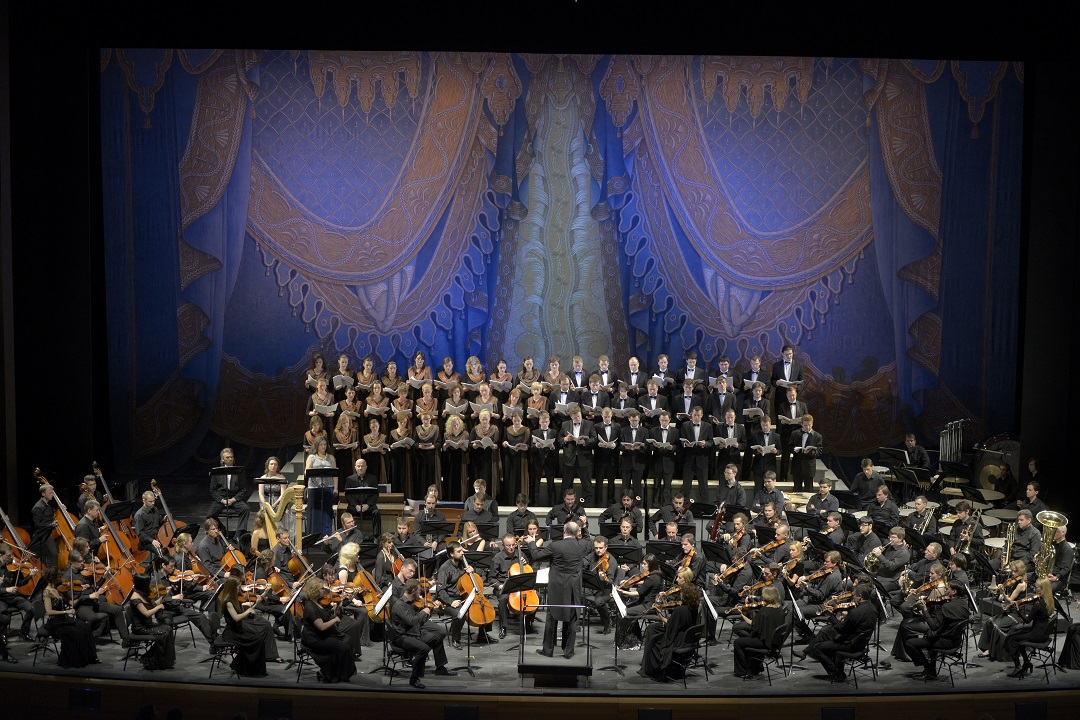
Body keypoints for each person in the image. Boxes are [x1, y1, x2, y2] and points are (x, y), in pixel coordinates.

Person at [530, 521, 592, 658]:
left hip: (557, 585)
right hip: (574, 585)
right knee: (572, 616)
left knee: (552, 615)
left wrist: (531, 542)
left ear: (564, 532)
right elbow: (588, 540)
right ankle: (568, 651)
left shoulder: (555, 545)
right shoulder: (582, 545)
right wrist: (584, 527)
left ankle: (548, 650)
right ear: (576, 533)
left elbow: (536, 556)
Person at [800, 583, 878, 681]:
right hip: (861, 642)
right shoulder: (872, 608)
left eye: (854, 595)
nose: (853, 597)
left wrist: (830, 616)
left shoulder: (855, 612)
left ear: (860, 596)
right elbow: (855, 625)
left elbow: (841, 629)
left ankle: (837, 673)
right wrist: (845, 620)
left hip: (850, 645)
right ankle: (836, 665)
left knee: (817, 648)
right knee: (827, 634)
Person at [391, 578, 458, 688]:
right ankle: (414, 679)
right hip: (402, 638)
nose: (420, 593)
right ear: (413, 591)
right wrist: (423, 612)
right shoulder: (400, 605)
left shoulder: (412, 603)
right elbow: (412, 621)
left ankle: (440, 667)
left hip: (414, 633)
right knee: (423, 649)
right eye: (419, 590)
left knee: (438, 637)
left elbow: (419, 622)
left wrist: (429, 610)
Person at [434, 542, 497, 647]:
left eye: (462, 550)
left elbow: (469, 581)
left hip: (463, 596)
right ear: (451, 554)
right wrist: (451, 602)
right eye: (459, 551)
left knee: (485, 606)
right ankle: (456, 639)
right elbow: (440, 591)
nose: (462, 553)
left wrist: (472, 571)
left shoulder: (463, 564)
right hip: (448, 599)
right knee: (460, 613)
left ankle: (482, 635)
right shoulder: (444, 568)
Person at [638, 579, 702, 681]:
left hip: (678, 641)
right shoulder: (694, 607)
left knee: (654, 641)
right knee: (653, 629)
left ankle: (652, 670)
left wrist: (659, 613)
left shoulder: (680, 610)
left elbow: (670, 624)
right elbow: (676, 623)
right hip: (687, 638)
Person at [218, 575, 281, 676]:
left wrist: (255, 604)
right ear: (233, 587)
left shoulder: (234, 600)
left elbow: (245, 612)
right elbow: (236, 618)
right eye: (238, 586)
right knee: (258, 641)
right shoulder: (228, 602)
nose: (240, 588)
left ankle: (247, 667)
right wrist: (247, 612)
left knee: (258, 638)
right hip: (232, 633)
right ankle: (250, 670)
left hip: (238, 630)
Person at [300, 578, 357, 683]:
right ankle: (330, 673)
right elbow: (321, 627)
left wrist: (337, 607)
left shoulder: (317, 603)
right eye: (322, 588)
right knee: (341, 646)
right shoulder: (310, 607)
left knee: (348, 639)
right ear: (315, 591)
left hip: (322, 635)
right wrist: (335, 620)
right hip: (315, 639)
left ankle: (340, 672)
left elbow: (326, 616)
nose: (325, 590)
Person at [41, 567, 99, 668]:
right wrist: (66, 611)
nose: (61, 578)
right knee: (75, 633)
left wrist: (80, 593)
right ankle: (72, 661)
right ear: (53, 579)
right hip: (55, 622)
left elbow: (72, 603)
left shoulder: (61, 589)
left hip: (64, 619)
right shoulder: (47, 592)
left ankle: (89, 658)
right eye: (59, 577)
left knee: (85, 627)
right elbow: (49, 612)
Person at [1004, 577, 1055, 678]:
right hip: (1044, 633)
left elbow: (1027, 620)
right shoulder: (1049, 601)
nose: (1034, 589)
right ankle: (1026, 662)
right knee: (1019, 638)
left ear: (1042, 588)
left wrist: (1017, 610)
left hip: (1036, 635)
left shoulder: (1038, 604)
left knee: (1011, 638)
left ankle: (1018, 666)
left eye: (1036, 587)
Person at [732, 584, 786, 678]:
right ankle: (755, 667)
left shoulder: (764, 610)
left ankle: (742, 671)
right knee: (747, 637)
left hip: (765, 643)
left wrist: (742, 615)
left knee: (738, 643)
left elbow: (752, 624)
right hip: (775, 643)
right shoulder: (780, 609)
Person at [615, 553, 663, 650]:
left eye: (644, 564)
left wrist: (622, 591)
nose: (642, 566)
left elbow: (638, 593)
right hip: (645, 603)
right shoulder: (654, 575)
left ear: (651, 564)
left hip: (648, 606)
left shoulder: (653, 578)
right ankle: (632, 639)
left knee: (625, 613)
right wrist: (628, 582)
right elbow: (645, 583)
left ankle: (631, 642)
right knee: (625, 609)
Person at [128, 573, 176, 670]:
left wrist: (164, 595)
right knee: (164, 633)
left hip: (148, 625)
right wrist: (159, 607)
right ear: (142, 584)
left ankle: (164, 661)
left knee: (168, 628)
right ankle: (150, 659)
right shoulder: (135, 598)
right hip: (140, 628)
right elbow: (146, 613)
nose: (149, 586)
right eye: (147, 583)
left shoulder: (144, 594)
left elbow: (155, 604)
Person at [207, 448, 249, 542]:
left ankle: (238, 534)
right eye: (227, 457)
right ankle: (222, 529)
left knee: (245, 509)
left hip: (234, 498)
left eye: (231, 457)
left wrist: (233, 499)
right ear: (222, 459)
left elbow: (243, 489)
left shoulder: (239, 471)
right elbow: (213, 490)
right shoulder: (216, 472)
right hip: (222, 498)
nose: (230, 459)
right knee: (210, 515)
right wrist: (222, 500)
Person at [560, 405, 596, 504]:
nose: (577, 418)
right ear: (571, 416)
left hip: (584, 458)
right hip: (569, 459)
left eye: (579, 416)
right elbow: (559, 439)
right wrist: (565, 439)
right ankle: (566, 506)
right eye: (575, 417)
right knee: (566, 484)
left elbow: (594, 439)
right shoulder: (565, 424)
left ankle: (587, 505)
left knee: (587, 484)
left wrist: (584, 442)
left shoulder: (589, 424)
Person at [305, 436, 338, 537]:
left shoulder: (331, 458)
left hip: (328, 487)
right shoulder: (312, 457)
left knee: (327, 512)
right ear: (317, 446)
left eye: (325, 444)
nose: (323, 447)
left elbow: (335, 474)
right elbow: (306, 472)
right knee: (315, 513)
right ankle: (314, 536)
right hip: (314, 489)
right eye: (321, 445)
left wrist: (336, 488)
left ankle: (326, 536)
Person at [0, 542, 33, 642]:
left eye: (12, 555)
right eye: (8, 556)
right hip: (2, 598)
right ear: (1, 555)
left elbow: (20, 583)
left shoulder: (14, 566)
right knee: (3, 614)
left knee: (31, 608)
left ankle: (24, 634)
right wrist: (6, 589)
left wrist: (30, 576)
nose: (12, 557)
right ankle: (2, 636)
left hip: (13, 597)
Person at [680, 405, 713, 500]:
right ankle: (684, 506)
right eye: (694, 415)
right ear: (691, 415)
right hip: (689, 458)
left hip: (702, 458)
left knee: (703, 486)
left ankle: (704, 506)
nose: (696, 417)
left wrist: (705, 443)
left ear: (702, 415)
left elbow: (711, 441)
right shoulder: (685, 425)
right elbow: (681, 439)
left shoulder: (708, 426)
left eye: (698, 415)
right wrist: (686, 444)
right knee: (686, 485)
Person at [343, 457, 381, 538]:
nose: (360, 468)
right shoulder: (350, 479)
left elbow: (375, 495)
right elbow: (348, 495)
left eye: (362, 466)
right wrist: (356, 505)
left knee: (376, 513)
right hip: (355, 506)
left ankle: (376, 537)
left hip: (368, 506)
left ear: (366, 467)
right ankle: (349, 536)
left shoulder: (373, 478)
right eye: (358, 466)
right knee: (347, 514)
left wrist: (368, 505)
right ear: (355, 467)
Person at [648, 409, 679, 506]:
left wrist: (672, 447)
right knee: (656, 485)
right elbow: (649, 446)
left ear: (669, 420)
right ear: (659, 420)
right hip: (657, 461)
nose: (664, 422)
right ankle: (655, 504)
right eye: (662, 420)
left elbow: (678, 446)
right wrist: (654, 446)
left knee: (667, 486)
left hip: (669, 461)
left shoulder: (675, 431)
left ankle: (667, 505)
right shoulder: (653, 430)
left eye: (665, 420)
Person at [788, 414, 823, 493]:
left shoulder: (817, 436)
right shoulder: (795, 434)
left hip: (809, 466)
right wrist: (794, 450)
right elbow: (789, 447)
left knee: (808, 489)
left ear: (812, 424)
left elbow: (819, 451)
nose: (807, 427)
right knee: (797, 488)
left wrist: (810, 452)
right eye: (805, 425)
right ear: (801, 424)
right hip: (797, 465)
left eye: (809, 425)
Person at [31, 483, 60, 568]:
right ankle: (53, 573)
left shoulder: (49, 504)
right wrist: (51, 525)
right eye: (50, 493)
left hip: (51, 531)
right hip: (44, 533)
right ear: (43, 494)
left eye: (52, 493)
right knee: (54, 553)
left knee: (56, 551)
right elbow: (37, 524)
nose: (52, 495)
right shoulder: (38, 507)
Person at [132, 489, 166, 555]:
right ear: (144, 501)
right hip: (146, 541)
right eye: (150, 501)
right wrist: (152, 540)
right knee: (161, 551)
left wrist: (164, 520)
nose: (153, 503)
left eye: (154, 501)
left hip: (157, 536)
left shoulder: (155, 509)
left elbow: (160, 523)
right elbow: (140, 533)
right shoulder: (140, 515)